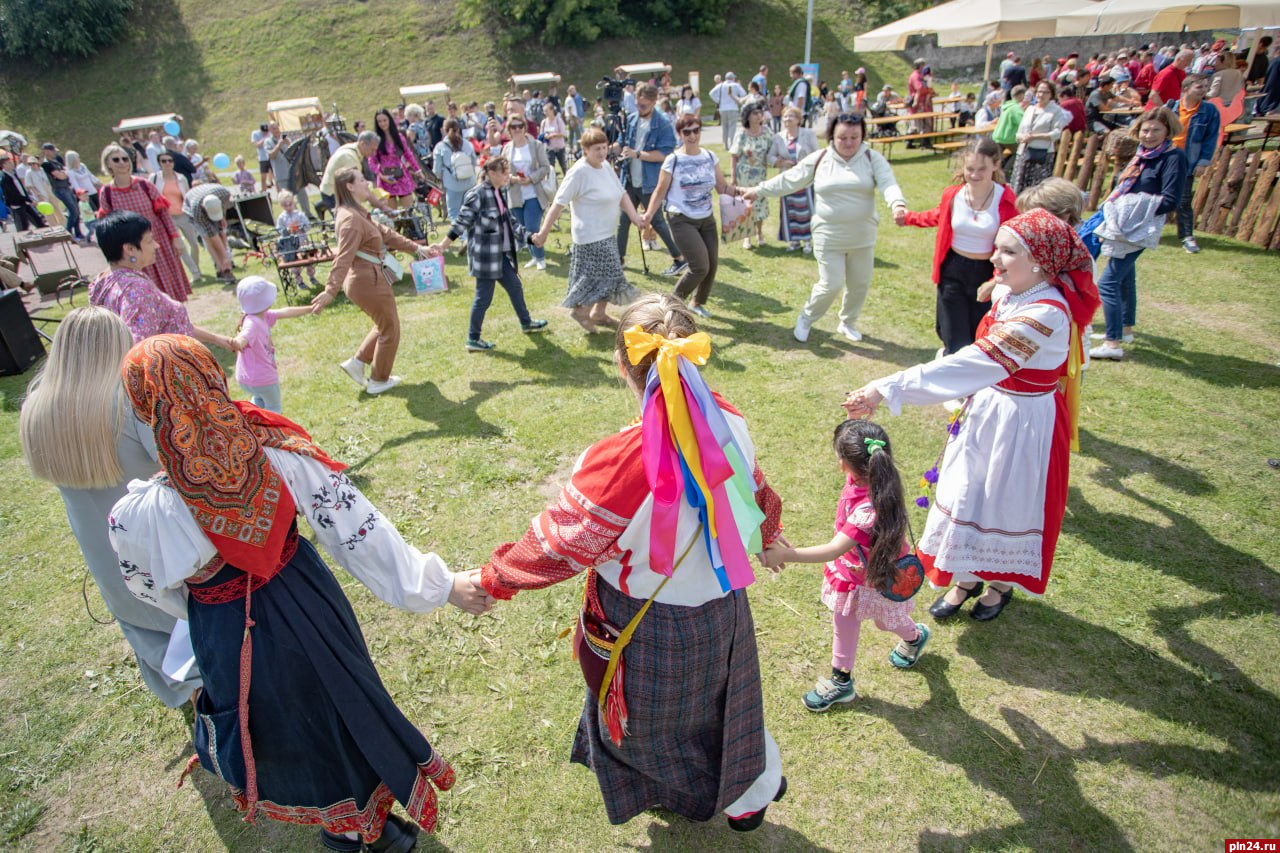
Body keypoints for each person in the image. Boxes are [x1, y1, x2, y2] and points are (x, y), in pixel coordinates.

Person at [108, 334, 492, 851]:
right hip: (305, 595)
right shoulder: (278, 451)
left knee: (284, 721)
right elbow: (358, 531)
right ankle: (353, 826)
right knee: (339, 700)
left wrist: (208, 605)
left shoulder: (139, 516)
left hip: (223, 625)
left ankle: (348, 824)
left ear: (145, 407)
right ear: (215, 379)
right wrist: (441, 586)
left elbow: (149, 588)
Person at [479, 294, 786, 830]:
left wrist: (493, 578)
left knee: (651, 727)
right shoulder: (730, 422)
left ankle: (685, 793)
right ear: (693, 360)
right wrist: (771, 534)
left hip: (643, 620)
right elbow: (755, 498)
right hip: (722, 609)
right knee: (725, 710)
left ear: (622, 367)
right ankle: (749, 794)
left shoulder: (618, 459)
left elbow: (559, 546)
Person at [844, 209, 1100, 622]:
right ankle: (965, 577)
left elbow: (970, 364)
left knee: (1004, 500)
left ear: (1039, 261)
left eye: (1008, 251)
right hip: (991, 408)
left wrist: (885, 387)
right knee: (967, 492)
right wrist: (995, 284)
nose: (994, 258)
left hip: (1022, 421)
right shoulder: (1019, 291)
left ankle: (997, 584)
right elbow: (985, 342)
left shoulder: (1046, 315)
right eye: (996, 248)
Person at [19, 307, 205, 709]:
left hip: (103, 551)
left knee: (143, 624)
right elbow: (178, 467)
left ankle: (188, 693)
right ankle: (210, 692)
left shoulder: (36, 405)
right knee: (183, 617)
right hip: (157, 544)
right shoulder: (126, 400)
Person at [762, 420, 929, 711]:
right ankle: (841, 681)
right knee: (844, 622)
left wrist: (786, 555)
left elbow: (833, 549)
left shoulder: (869, 509)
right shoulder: (872, 477)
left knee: (885, 621)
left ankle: (915, 636)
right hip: (852, 575)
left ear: (844, 464)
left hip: (878, 580)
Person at [744, 114, 906, 344]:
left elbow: (888, 182)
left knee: (859, 284)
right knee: (831, 283)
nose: (849, 143)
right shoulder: (820, 158)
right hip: (828, 235)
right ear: (832, 136)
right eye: (842, 137)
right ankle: (806, 318)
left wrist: (897, 203)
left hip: (862, 236)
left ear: (862, 136)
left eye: (854, 137)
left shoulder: (871, 157)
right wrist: (759, 189)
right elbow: (790, 179)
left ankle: (847, 322)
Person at [311, 168, 436, 392]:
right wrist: (330, 291)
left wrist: (419, 248)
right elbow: (343, 257)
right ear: (349, 186)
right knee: (390, 328)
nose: (367, 182)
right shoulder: (350, 219)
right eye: (361, 180)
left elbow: (387, 234)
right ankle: (378, 380)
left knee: (384, 324)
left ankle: (357, 363)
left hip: (368, 279)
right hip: (367, 281)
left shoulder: (356, 212)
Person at [895, 138, 1019, 356]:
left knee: (979, 339)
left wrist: (996, 280)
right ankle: (952, 370)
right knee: (954, 338)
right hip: (953, 269)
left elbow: (1014, 244)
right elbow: (938, 216)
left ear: (996, 165)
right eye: (970, 169)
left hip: (987, 272)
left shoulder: (1006, 199)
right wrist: (908, 218)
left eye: (982, 169)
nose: (974, 175)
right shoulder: (953, 195)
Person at [1088, 108, 1186, 361]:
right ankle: (1125, 329)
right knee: (1124, 277)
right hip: (1122, 226)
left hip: (1137, 228)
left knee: (1108, 283)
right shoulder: (1141, 155)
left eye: (1156, 130)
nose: (1149, 134)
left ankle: (1112, 344)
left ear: (1168, 131)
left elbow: (1171, 199)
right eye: (1145, 129)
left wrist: (1135, 210)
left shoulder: (1173, 158)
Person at [428, 156, 549, 352]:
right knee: (483, 298)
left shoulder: (498, 192)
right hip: (485, 258)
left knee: (515, 286)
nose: (507, 176)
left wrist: (530, 238)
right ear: (491, 173)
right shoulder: (477, 195)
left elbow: (510, 222)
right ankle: (473, 339)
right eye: (503, 172)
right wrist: (443, 245)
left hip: (499, 256)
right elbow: (461, 223)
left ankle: (526, 323)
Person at [532, 128, 643, 332]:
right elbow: (558, 203)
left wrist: (635, 218)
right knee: (602, 276)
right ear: (585, 150)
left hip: (607, 232)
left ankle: (598, 314)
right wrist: (543, 232)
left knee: (611, 275)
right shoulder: (579, 172)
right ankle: (581, 311)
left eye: (604, 148)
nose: (602, 153)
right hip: (589, 236)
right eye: (596, 149)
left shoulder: (605, 167)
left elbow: (621, 193)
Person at [88, 211, 236, 350]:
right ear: (130, 249)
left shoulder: (102, 281)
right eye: (150, 240)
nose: (156, 246)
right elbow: (140, 349)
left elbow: (171, 320)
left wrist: (217, 339)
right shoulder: (136, 289)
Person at [642, 114, 734, 318]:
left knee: (712, 264)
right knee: (700, 266)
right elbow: (659, 190)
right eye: (687, 132)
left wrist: (742, 192)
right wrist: (648, 214)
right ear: (680, 134)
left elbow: (722, 187)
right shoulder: (673, 160)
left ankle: (697, 303)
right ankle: (669, 306)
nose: (692, 135)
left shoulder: (710, 157)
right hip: (681, 218)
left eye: (696, 130)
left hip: (707, 219)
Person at [98, 143, 192, 302]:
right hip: (131, 250)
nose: (122, 163)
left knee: (169, 287)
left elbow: (163, 214)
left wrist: (175, 237)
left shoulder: (144, 185)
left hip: (157, 243)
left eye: (125, 158)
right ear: (108, 164)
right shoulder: (106, 193)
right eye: (116, 160)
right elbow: (108, 227)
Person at [616, 83, 686, 278]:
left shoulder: (662, 124)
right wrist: (614, 148)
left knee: (656, 220)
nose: (640, 109)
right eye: (638, 105)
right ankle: (619, 258)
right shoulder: (631, 119)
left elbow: (664, 154)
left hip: (649, 182)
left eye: (644, 106)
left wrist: (637, 154)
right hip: (630, 179)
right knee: (623, 220)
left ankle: (679, 258)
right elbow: (623, 144)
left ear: (654, 102)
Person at [232, 276, 314, 413]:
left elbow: (285, 312)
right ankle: (276, 433)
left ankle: (250, 422)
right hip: (264, 379)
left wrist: (310, 309)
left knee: (258, 400)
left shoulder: (259, 315)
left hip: (246, 379)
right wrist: (236, 342)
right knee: (274, 408)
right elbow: (242, 338)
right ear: (264, 301)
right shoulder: (252, 324)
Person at [1165, 75, 1219, 254]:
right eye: (1199, 87)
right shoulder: (1171, 107)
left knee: (1183, 200)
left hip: (1187, 160)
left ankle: (1186, 236)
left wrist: (1203, 161)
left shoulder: (1209, 111)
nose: (1204, 90)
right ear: (1186, 89)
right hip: (1165, 157)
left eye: (1205, 87)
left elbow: (1210, 139)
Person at [501, 116, 553, 271]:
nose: (517, 130)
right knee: (523, 229)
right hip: (515, 195)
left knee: (532, 227)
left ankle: (541, 257)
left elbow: (545, 167)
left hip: (534, 193)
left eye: (520, 126)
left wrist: (531, 178)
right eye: (514, 127)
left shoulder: (536, 145)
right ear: (509, 130)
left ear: (525, 128)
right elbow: (503, 172)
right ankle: (534, 256)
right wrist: (513, 179)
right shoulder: (507, 148)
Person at [767, 106, 820, 251]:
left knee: (806, 210)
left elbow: (818, 154)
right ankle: (794, 241)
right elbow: (769, 156)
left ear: (798, 120)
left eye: (791, 116)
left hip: (805, 178)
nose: (787, 119)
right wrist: (781, 162)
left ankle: (808, 241)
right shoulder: (778, 137)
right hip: (787, 179)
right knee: (790, 210)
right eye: (785, 116)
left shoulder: (808, 134)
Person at [729, 103, 774, 249]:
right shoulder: (741, 133)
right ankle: (747, 236)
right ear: (747, 116)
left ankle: (759, 233)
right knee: (746, 206)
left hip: (760, 175)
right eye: (755, 113)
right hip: (744, 176)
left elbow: (774, 150)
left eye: (760, 112)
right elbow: (734, 156)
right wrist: (733, 178)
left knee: (759, 204)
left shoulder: (767, 132)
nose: (758, 115)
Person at [149, 152, 200, 280]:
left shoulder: (181, 178)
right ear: (159, 163)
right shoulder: (155, 178)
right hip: (168, 217)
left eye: (170, 161)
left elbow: (187, 195)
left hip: (183, 214)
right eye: (164, 161)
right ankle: (195, 272)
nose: (167, 164)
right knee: (180, 246)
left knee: (194, 243)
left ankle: (196, 267)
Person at [1012, 81, 1068, 192]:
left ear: (1051, 94)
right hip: (1024, 153)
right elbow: (1019, 132)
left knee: (1037, 189)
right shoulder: (1029, 109)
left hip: (1042, 154)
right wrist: (1022, 137)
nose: (1041, 95)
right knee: (1018, 187)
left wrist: (1035, 136)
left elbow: (1056, 133)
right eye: (1039, 91)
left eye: (1045, 92)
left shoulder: (1056, 111)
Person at [369, 108, 425, 212]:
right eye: (379, 121)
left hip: (401, 175)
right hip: (386, 178)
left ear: (389, 120)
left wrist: (418, 170)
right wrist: (381, 176)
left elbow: (408, 154)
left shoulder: (399, 137)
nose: (382, 123)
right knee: (391, 214)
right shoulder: (375, 140)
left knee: (409, 211)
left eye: (384, 120)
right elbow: (371, 161)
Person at [183, 183, 236, 283]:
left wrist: (222, 217)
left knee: (221, 231)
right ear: (203, 207)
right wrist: (225, 258)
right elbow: (213, 236)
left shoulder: (224, 194)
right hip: (191, 208)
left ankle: (224, 267)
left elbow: (221, 230)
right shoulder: (197, 212)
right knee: (209, 240)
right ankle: (221, 269)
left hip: (210, 198)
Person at [319, 131, 380, 213]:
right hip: (333, 194)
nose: (373, 153)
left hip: (337, 192)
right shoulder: (349, 157)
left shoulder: (352, 149)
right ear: (363, 144)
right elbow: (359, 185)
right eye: (372, 150)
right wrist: (381, 206)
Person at [433, 118, 478, 223]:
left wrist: (440, 179)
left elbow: (437, 169)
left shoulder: (440, 147)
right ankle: (471, 235)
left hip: (452, 184)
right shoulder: (467, 144)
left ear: (444, 130)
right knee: (470, 211)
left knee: (454, 212)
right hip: (469, 182)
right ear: (458, 129)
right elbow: (474, 162)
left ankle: (462, 236)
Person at [274, 190, 320, 288]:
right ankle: (299, 281)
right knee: (295, 265)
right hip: (290, 245)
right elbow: (279, 229)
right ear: (281, 206)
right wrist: (286, 230)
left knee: (308, 261)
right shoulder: (282, 218)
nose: (288, 207)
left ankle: (312, 277)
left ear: (293, 202)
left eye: (290, 204)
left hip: (302, 241)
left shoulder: (299, 214)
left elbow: (308, 225)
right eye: (285, 205)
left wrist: (301, 227)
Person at [40, 143, 86, 241]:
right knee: (73, 211)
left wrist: (64, 173)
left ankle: (78, 232)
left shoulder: (58, 160)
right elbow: (60, 175)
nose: (55, 152)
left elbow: (65, 171)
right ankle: (68, 232)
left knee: (76, 210)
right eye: (52, 151)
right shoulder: (46, 164)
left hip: (67, 187)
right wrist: (64, 173)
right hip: (59, 189)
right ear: (46, 151)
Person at [0, 151, 45, 231]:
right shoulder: (4, 178)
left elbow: (21, 188)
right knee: (23, 227)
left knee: (38, 221)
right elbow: (14, 193)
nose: (12, 163)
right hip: (17, 205)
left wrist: (28, 198)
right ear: (4, 165)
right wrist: (29, 200)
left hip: (24, 202)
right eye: (9, 162)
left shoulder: (13, 173)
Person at [709, 72, 746, 149]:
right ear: (733, 78)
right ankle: (732, 143)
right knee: (732, 126)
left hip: (723, 108)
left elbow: (711, 93)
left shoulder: (721, 85)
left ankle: (725, 144)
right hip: (733, 108)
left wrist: (718, 100)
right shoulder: (736, 85)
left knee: (724, 127)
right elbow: (744, 94)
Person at [540, 103, 568, 176]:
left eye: (547, 110)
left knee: (563, 166)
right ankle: (551, 182)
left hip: (560, 147)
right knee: (550, 167)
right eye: (544, 111)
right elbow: (541, 134)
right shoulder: (544, 122)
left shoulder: (559, 121)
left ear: (552, 110)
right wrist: (545, 136)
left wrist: (554, 135)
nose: (545, 113)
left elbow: (563, 134)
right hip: (549, 148)